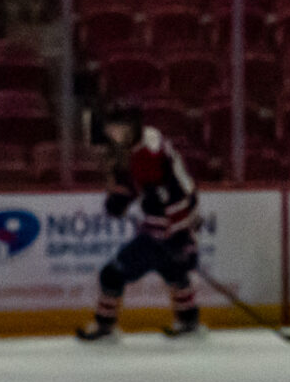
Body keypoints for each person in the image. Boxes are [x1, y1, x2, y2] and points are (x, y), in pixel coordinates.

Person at [75, 101, 206, 342]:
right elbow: (142, 186)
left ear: (132, 126)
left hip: (165, 229)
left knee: (111, 274)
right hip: (170, 226)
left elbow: (171, 193)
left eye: (118, 127)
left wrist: (178, 233)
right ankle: (189, 322)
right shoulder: (141, 145)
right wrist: (121, 197)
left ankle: (105, 326)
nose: (113, 133)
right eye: (110, 128)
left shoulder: (149, 152)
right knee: (176, 273)